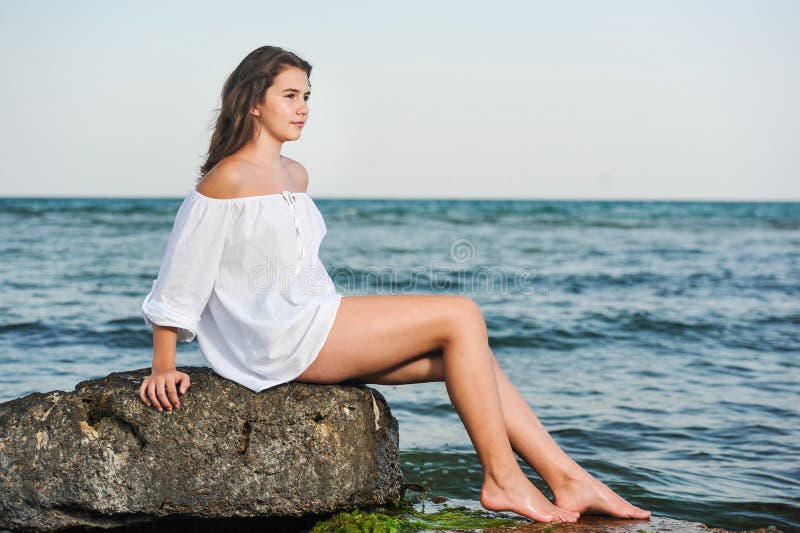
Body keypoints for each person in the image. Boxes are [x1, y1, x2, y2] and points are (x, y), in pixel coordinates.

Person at [138, 45, 651, 525]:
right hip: (278, 338)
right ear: (252, 102)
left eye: (307, 97)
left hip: (314, 316)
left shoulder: (296, 174)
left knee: (469, 357)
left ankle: (569, 478)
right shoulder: (225, 179)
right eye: (289, 96)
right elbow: (181, 277)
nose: (303, 108)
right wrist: (165, 366)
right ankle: (503, 479)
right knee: (461, 314)